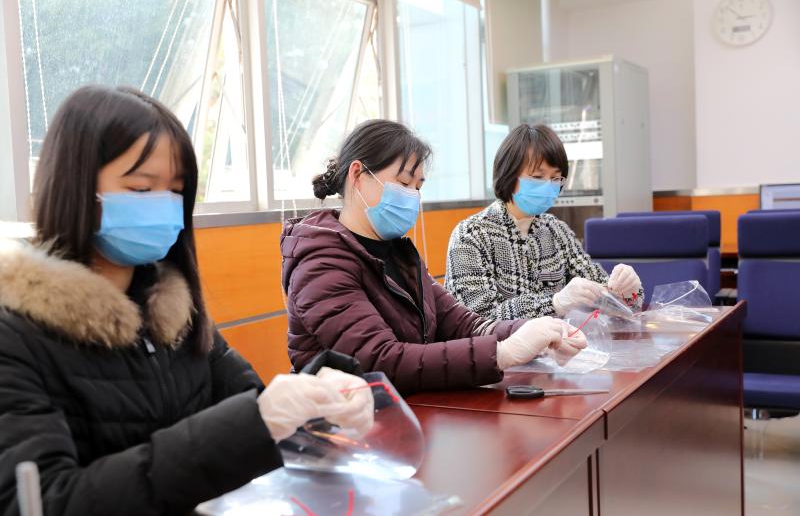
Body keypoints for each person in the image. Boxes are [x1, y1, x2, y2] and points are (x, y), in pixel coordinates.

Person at [0, 86, 373, 516]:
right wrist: (258, 421)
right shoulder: (16, 338)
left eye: (176, 191)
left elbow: (254, 412)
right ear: (74, 188)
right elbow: (46, 502)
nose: (163, 206)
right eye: (142, 188)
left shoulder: (175, 314)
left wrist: (323, 399)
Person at [281, 119, 587, 395]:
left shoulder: (398, 253)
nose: (412, 196)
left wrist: (539, 332)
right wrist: (502, 353)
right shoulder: (319, 262)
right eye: (404, 183)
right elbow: (382, 360)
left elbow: (463, 324)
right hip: (344, 421)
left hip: (407, 410)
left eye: (418, 187)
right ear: (358, 175)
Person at [445, 123, 644, 321]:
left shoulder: (556, 230)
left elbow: (603, 293)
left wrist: (626, 292)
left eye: (555, 178)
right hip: (504, 344)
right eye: (537, 177)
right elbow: (476, 318)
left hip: (562, 341)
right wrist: (555, 302)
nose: (548, 186)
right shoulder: (471, 235)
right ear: (508, 174)